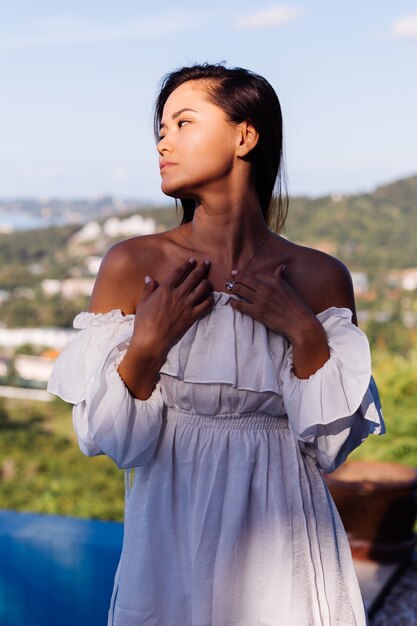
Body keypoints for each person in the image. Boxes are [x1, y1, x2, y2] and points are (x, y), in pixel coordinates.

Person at [48, 63, 384, 625]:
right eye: (160, 128)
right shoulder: (134, 264)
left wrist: (301, 329)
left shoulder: (320, 276)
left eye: (182, 122)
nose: (163, 141)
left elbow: (331, 449)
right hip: (168, 526)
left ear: (244, 136)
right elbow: (111, 442)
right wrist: (149, 346)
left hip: (285, 531)